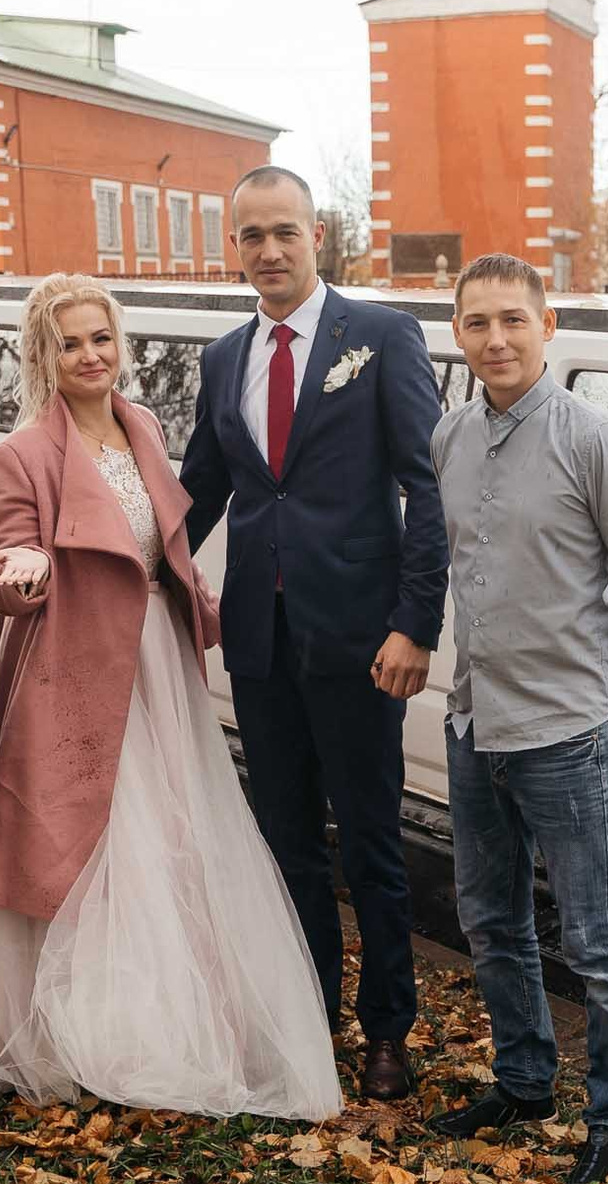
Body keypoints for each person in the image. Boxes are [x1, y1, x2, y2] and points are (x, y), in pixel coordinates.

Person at [0, 275, 339, 1120]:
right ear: (44, 355)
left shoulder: (141, 426)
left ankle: (171, 1028)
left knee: (174, 832)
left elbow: (163, 539)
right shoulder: (21, 453)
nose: (90, 355)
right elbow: (5, 563)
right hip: (75, 670)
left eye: (100, 338)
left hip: (159, 663)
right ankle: (73, 1035)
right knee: (88, 840)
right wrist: (18, 574)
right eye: (70, 343)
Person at [179, 167, 448, 1101]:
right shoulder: (223, 359)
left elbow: (428, 485)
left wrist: (416, 623)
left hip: (361, 643)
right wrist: (117, 565)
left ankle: (385, 1034)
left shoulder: (380, 336)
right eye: (250, 236)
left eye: (283, 232)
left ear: (317, 234)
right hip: (259, 641)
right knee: (285, 842)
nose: (268, 252)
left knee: (371, 843)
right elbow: (200, 495)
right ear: (234, 248)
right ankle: (304, 1019)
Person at [425, 254, 608, 1184]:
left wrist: (592, 677)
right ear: (457, 332)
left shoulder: (597, 442)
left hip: (568, 737)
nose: (495, 339)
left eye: (512, 322)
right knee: (491, 923)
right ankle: (524, 1083)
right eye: (476, 322)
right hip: (473, 725)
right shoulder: (450, 437)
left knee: (598, 939)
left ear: (547, 326)